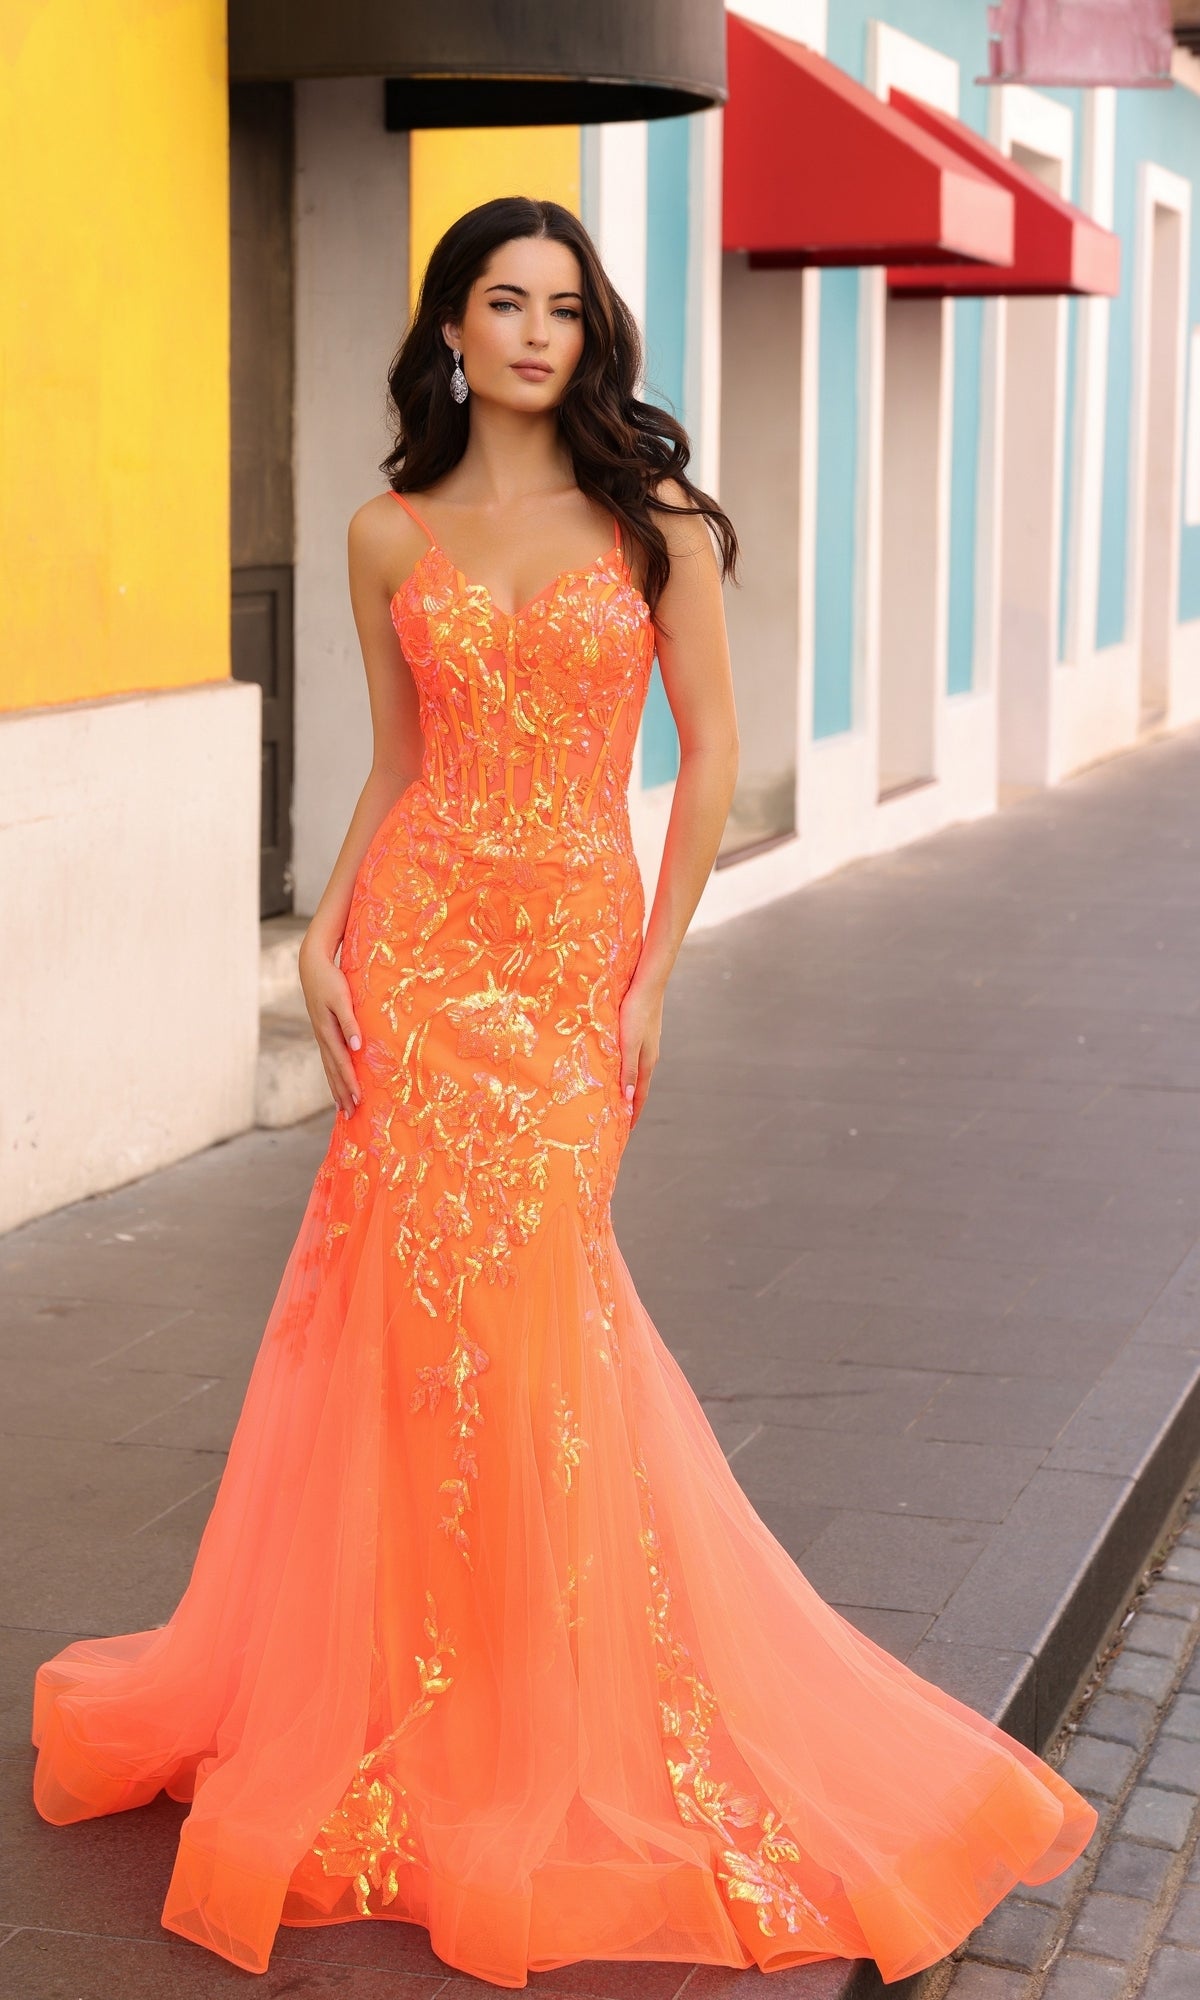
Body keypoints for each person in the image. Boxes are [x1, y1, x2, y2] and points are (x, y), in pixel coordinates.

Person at [31, 195, 1097, 1989]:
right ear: (451, 328)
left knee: (536, 1304)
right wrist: (321, 932)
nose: (534, 332)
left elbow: (714, 760)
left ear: (590, 336)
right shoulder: (387, 531)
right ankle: (409, 1693)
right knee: (416, 1319)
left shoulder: (652, 522)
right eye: (500, 303)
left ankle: (549, 1698)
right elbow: (397, 761)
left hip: (569, 965)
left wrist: (655, 970)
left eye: (562, 307)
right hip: (425, 946)